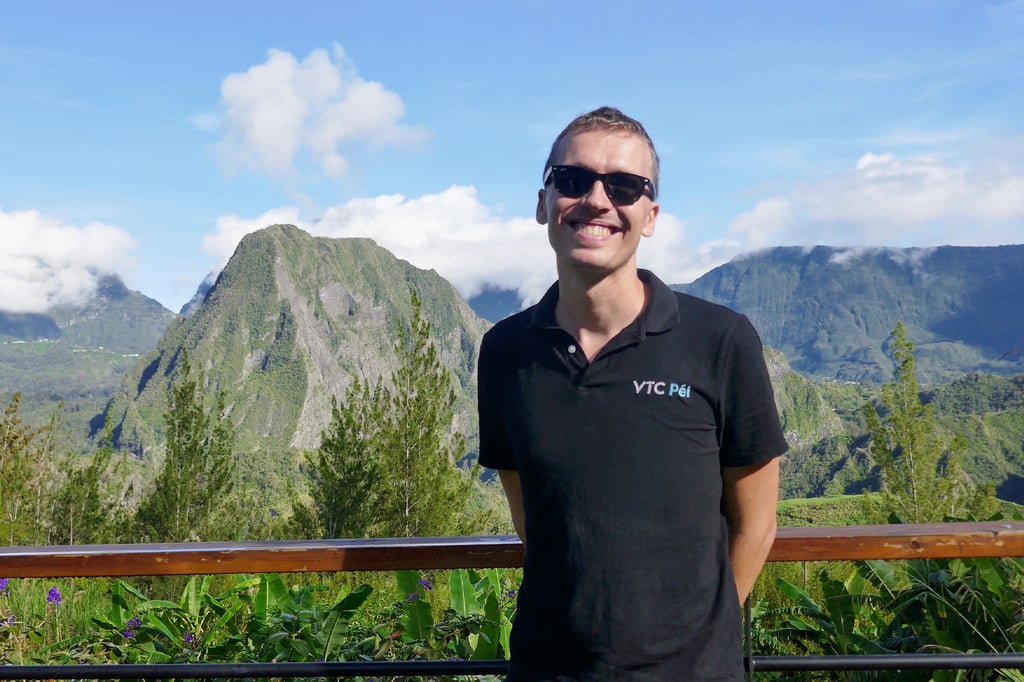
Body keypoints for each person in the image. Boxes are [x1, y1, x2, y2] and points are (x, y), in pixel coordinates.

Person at [476, 106, 788, 681]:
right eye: (573, 179)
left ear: (650, 215)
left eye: (623, 186)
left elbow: (756, 524)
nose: (597, 200)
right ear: (543, 201)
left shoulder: (719, 341)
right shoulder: (505, 352)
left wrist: (700, 643)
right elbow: (536, 517)